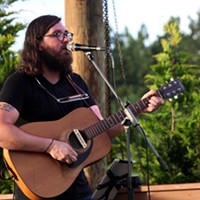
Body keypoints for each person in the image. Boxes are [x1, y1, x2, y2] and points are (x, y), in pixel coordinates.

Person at [0, 15, 164, 200]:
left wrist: (139, 108)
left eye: (67, 34)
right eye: (57, 34)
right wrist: (51, 146)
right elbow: (2, 131)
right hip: (38, 191)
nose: (66, 39)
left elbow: (102, 130)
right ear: (38, 44)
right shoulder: (20, 83)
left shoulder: (75, 83)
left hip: (78, 191)